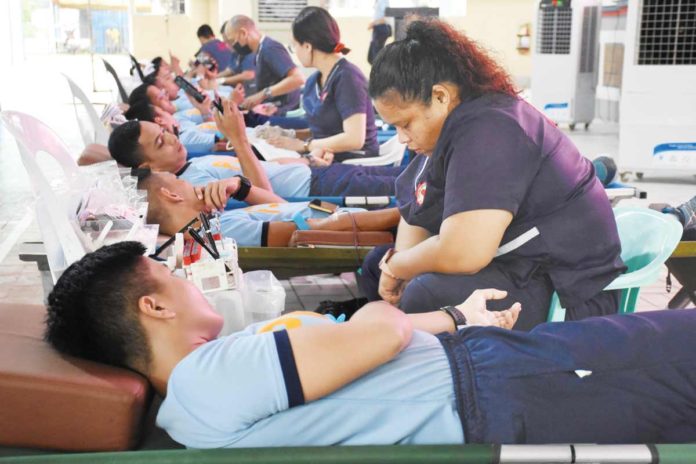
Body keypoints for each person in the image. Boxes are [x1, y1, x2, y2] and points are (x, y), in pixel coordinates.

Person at [45, 242, 696, 447]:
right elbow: (383, 330)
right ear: (152, 306)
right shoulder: (207, 377)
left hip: (492, 381)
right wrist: (400, 319)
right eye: (174, 276)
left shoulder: (190, 407)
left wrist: (456, 316)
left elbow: (377, 341)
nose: (192, 281)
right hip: (502, 387)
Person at [358, 19, 625, 330]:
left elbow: (464, 252)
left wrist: (399, 267)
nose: (402, 138)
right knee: (374, 266)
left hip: (567, 289)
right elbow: (417, 211)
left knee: (424, 294)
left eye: (405, 124)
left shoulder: (491, 129)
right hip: (515, 264)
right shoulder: (450, 129)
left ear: (441, 97)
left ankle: (441, 368)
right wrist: (396, 265)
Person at [107, 100, 402, 198]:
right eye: (160, 142)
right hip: (313, 188)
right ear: (148, 167)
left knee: (404, 176)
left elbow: (265, 169)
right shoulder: (194, 187)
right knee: (407, 187)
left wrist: (304, 159)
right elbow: (265, 197)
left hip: (314, 173)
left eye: (164, 131)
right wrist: (238, 141)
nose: (171, 137)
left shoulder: (192, 167)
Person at [137, 170, 399, 247]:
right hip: (382, 225)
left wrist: (240, 188)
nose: (190, 183)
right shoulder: (219, 232)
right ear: (171, 194)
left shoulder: (218, 220)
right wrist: (402, 214)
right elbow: (309, 232)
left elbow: (288, 209)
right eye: (180, 181)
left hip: (360, 216)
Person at [265, 7, 379, 164]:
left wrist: (304, 146)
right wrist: (288, 135)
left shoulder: (348, 77)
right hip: (324, 154)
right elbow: (323, 132)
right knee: (268, 163)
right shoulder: (314, 80)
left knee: (273, 168)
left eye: (294, 45)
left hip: (354, 160)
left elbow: (354, 139)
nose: (295, 51)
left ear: (307, 46)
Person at [223, 15, 304, 116]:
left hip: (283, 111)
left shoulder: (269, 49)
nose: (232, 46)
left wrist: (262, 95)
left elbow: (298, 78)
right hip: (268, 108)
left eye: (232, 41)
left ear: (243, 33)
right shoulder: (258, 52)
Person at [367, 0, 392, 64]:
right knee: (372, 57)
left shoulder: (383, 1)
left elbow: (386, 17)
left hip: (381, 28)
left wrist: (374, 23)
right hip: (378, 29)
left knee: (375, 57)